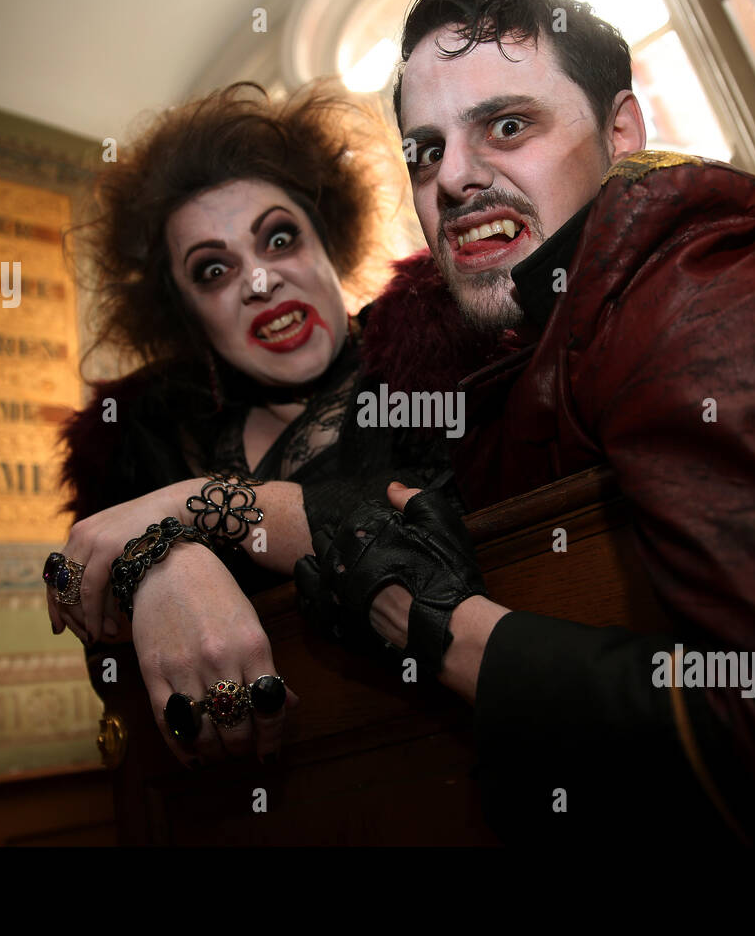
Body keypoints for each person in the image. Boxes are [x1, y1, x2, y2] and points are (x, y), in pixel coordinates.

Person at [296, 0, 755, 848]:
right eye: (424, 151)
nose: (452, 178)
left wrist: (437, 629)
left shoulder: (703, 295)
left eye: (508, 126)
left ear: (623, 132)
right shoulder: (552, 333)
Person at [46, 82, 453, 769]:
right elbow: (106, 663)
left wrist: (192, 511)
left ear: (327, 242)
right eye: (213, 269)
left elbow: (442, 542)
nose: (259, 282)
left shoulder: (434, 359)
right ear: (187, 315)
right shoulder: (141, 442)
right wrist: (160, 568)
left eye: (280, 238)